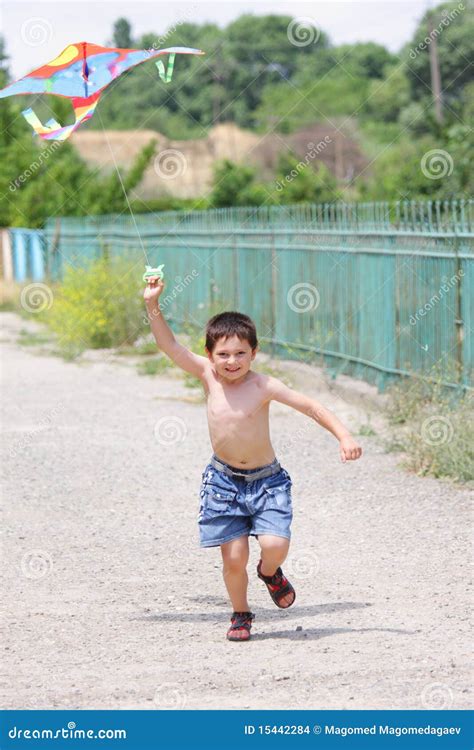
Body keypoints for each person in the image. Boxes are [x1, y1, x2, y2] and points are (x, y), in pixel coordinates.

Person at [144, 275, 362, 642]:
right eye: (223, 354)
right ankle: (241, 613)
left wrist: (344, 435)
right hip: (223, 483)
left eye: (240, 353)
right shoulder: (206, 376)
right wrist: (152, 304)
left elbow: (310, 406)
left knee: (275, 546)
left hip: (268, 481)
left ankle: (270, 572)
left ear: (254, 353)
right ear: (210, 355)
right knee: (232, 557)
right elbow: (169, 345)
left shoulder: (263, 386)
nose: (231, 361)